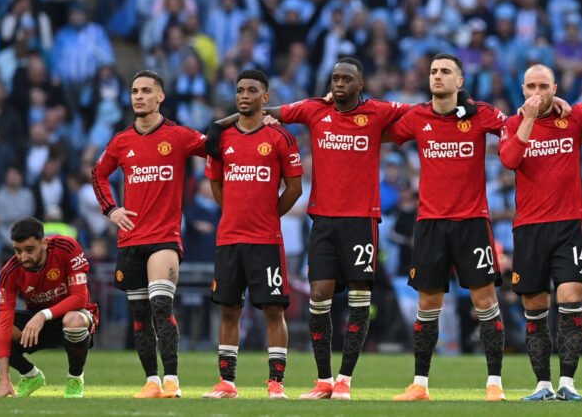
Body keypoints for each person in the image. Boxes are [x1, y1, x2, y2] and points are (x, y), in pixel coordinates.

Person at [205, 57, 456, 399]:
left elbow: (423, 109)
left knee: (359, 300)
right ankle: (323, 380)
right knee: (319, 296)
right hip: (322, 220)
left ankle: (345, 380)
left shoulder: (378, 112)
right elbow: (265, 111)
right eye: (335, 78)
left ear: (360, 85)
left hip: (361, 219)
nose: (339, 83)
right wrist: (222, 123)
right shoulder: (313, 110)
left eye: (346, 79)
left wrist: (464, 103)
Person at [389, 54, 510, 402]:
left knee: (485, 301)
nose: (437, 76)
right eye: (433, 71)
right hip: (430, 224)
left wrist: (549, 104)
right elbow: (382, 130)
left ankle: (494, 384)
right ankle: (420, 385)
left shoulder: (480, 114)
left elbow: (515, 126)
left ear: (460, 81)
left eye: (445, 72)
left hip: (472, 222)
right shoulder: (417, 116)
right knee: (427, 303)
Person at [92, 70, 206, 398]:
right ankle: (151, 382)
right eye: (134, 91)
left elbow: (216, 146)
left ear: (160, 97)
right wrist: (111, 209)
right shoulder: (121, 141)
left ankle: (172, 379)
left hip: (165, 238)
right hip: (130, 240)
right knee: (139, 316)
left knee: (161, 307)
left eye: (145, 91)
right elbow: (97, 174)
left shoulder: (180, 136)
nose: (138, 96)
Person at [202, 69, 303, 400]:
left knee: (274, 310)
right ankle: (227, 383)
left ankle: (276, 383)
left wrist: (269, 214)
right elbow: (215, 183)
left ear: (265, 97)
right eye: (240, 90)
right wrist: (231, 209)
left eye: (251, 90)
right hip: (229, 238)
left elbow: (294, 187)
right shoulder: (222, 138)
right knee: (228, 308)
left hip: (266, 240)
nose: (244, 95)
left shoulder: (280, 137)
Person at [498, 64, 582, 402]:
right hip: (529, 228)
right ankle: (542, 384)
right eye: (530, 86)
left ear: (555, 86)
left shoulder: (573, 118)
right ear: (522, 89)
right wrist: (528, 118)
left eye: (543, 85)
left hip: (568, 225)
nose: (537, 92)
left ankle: (568, 381)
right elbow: (509, 160)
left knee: (571, 300)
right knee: (535, 306)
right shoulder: (511, 124)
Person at [0, 217, 98, 399]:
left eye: (29, 250)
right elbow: (5, 323)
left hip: (71, 316)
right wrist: (3, 380)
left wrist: (43, 315)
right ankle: (30, 375)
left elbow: (79, 298)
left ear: (44, 243)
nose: (23, 257)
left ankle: (75, 378)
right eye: (18, 251)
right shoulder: (10, 272)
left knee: (74, 320)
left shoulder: (66, 247)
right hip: (36, 325)